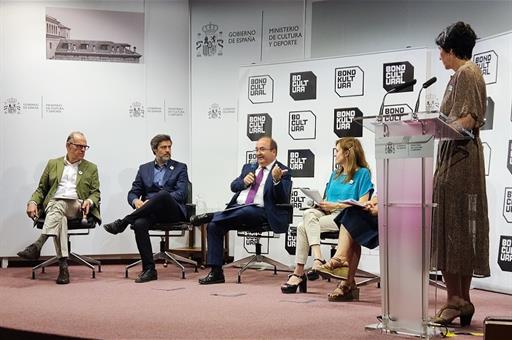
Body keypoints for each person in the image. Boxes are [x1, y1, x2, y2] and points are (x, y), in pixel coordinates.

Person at [431, 21, 489, 327]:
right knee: (460, 232)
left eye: (441, 50)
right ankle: (463, 299)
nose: (440, 56)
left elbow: (467, 119)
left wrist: (437, 128)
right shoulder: (467, 74)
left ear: (451, 49)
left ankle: (454, 299)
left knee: (451, 228)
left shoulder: (465, 73)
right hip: (460, 157)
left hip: (458, 160)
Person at [191, 136, 292, 285]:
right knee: (214, 226)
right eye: (256, 149)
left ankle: (212, 215)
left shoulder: (283, 171)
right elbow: (233, 186)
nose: (258, 153)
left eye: (262, 149)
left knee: (247, 211)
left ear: (274, 152)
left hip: (262, 212)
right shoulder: (249, 167)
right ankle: (216, 272)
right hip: (237, 210)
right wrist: (243, 182)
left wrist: (276, 180)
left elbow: (283, 198)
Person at [281, 137, 373, 294]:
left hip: (346, 217)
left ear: (348, 153)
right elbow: (327, 200)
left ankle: (299, 272)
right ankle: (318, 259)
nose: (335, 155)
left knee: (303, 227)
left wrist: (336, 205)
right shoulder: (335, 174)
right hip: (327, 213)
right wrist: (321, 203)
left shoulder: (362, 173)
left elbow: (363, 204)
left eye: (337, 151)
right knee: (308, 213)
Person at [17, 131, 101, 284]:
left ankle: (38, 244)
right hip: (55, 206)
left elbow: (96, 193)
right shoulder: (53, 163)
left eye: (85, 147)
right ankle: (63, 266)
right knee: (59, 216)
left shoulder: (91, 167)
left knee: (59, 205)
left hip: (78, 207)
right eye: (79, 146)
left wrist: (89, 201)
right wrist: (32, 202)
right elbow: (41, 189)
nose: (83, 150)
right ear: (68, 146)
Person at [103, 134, 188, 283]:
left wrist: (153, 199)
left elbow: (181, 194)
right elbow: (133, 192)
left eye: (169, 147)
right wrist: (135, 201)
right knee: (139, 224)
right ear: (154, 150)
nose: (168, 150)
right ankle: (149, 269)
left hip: (172, 211)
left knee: (162, 195)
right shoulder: (144, 169)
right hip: (151, 212)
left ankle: (123, 222)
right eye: (163, 147)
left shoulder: (180, 167)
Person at [317, 195, 378, 301]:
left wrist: (381, 208)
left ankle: (341, 265)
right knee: (350, 213)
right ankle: (343, 268)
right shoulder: (388, 178)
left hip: (398, 217)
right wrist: (372, 202)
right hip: (379, 213)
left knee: (353, 222)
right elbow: (379, 195)